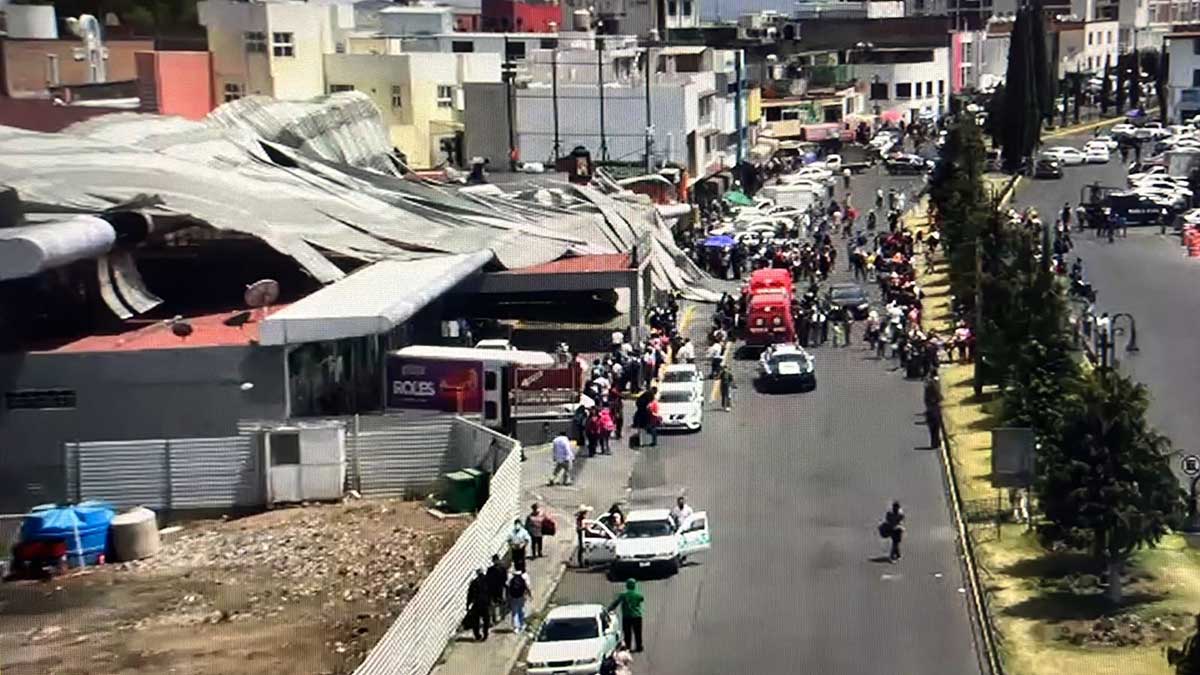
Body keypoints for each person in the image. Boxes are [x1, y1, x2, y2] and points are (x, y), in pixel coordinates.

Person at [608, 578, 646, 653]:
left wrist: (609, 609)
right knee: (638, 632)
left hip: (627, 616)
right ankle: (639, 647)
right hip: (637, 616)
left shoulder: (623, 595)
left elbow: (616, 603)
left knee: (627, 632)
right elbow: (642, 599)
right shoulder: (638, 595)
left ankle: (628, 646)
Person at [466, 568, 491, 641]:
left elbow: (470, 595)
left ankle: (477, 635)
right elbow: (490, 591)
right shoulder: (487, 580)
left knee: (475, 620)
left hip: (477, 603)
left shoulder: (474, 582)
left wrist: (468, 604)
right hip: (485, 603)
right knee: (486, 619)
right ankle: (485, 634)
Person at [485, 554, 508, 624]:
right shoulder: (503, 568)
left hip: (492, 589)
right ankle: (502, 616)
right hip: (500, 587)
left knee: (493, 604)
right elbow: (505, 578)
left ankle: (494, 619)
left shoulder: (490, 570)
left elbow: (487, 579)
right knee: (502, 602)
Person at [508, 567, 532, 632]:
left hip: (513, 598)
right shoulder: (522, 580)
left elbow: (509, 590)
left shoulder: (512, 580)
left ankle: (516, 627)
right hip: (521, 597)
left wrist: (509, 598)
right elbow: (527, 588)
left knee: (515, 612)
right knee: (521, 611)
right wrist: (530, 595)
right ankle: (522, 624)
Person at [924, 375, 944, 449]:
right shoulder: (934, 389)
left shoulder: (927, 390)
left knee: (933, 430)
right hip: (934, 412)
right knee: (936, 428)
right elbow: (940, 398)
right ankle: (936, 443)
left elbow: (926, 401)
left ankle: (934, 443)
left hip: (930, 412)